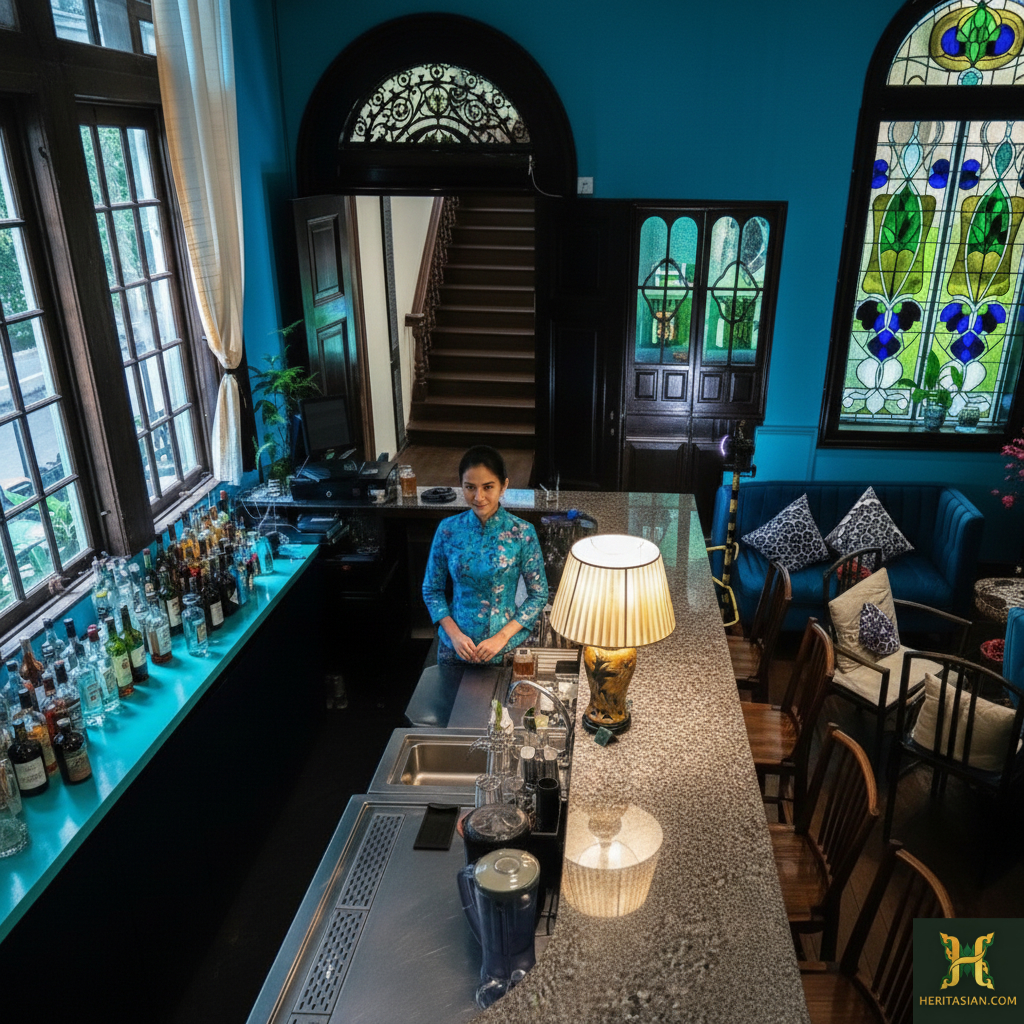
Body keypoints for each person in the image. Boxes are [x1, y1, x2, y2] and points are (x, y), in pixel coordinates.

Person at [422, 446, 548, 665]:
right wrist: (454, 635)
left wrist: (501, 637)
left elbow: (538, 595)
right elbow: (431, 590)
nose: (478, 497)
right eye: (470, 487)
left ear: (503, 486)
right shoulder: (448, 530)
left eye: (488, 487)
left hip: (506, 649)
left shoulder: (522, 532)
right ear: (461, 486)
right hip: (456, 649)